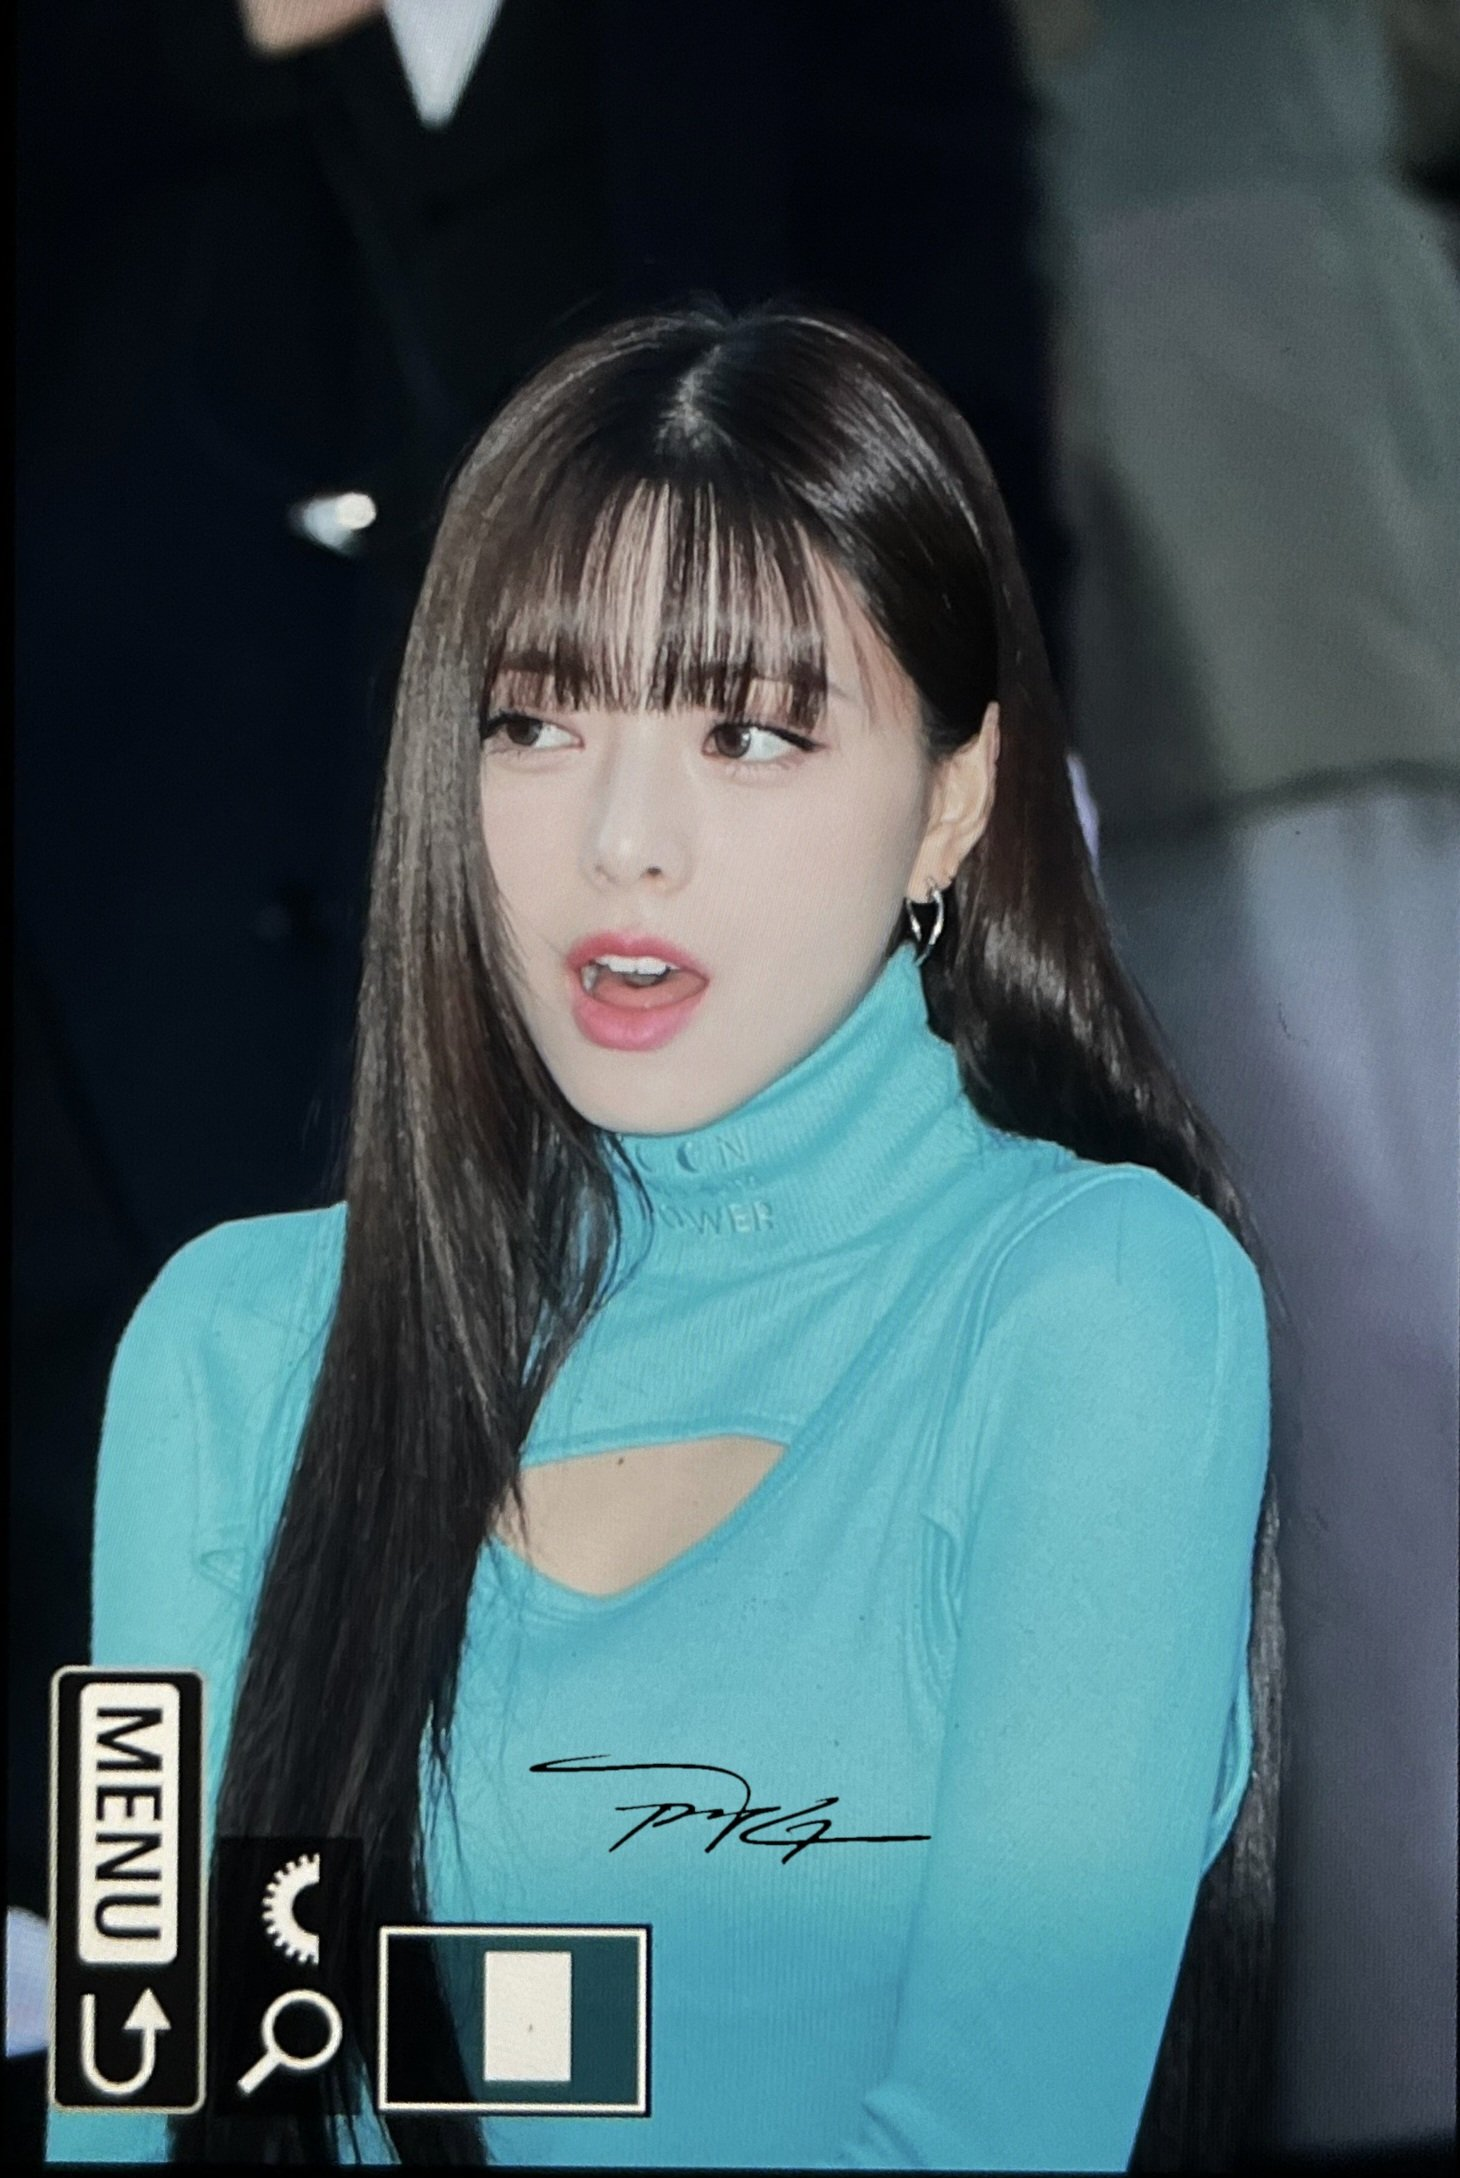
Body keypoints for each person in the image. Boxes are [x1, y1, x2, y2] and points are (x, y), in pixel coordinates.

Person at [45, 303, 1278, 2170]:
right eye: (537, 721)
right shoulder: (224, 1352)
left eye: (749, 732)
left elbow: (996, 2138)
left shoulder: (1097, 1309)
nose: (625, 840)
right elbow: (136, 2088)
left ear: (951, 802)